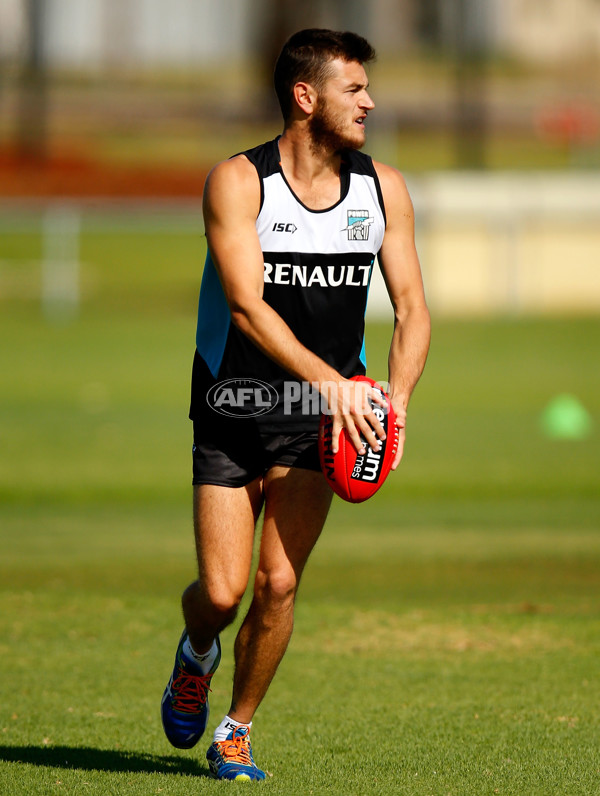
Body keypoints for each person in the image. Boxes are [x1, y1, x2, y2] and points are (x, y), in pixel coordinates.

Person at [161, 28, 430, 781]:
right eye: (354, 89)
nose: (369, 101)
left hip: (326, 418)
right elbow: (245, 308)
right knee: (221, 591)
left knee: (279, 583)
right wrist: (332, 383)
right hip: (234, 402)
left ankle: (235, 731)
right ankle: (197, 652)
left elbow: (413, 308)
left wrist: (396, 401)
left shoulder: (384, 190)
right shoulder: (239, 182)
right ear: (304, 97)